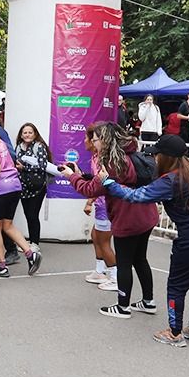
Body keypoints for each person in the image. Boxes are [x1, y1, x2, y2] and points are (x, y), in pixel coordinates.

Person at [99, 134, 189, 346]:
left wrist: (108, 182)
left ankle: (174, 333)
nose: (155, 159)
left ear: (166, 157)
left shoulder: (171, 181)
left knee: (177, 286)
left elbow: (136, 196)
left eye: (157, 155)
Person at [65, 122, 160, 319]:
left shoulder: (112, 163)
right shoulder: (130, 155)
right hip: (147, 214)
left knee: (124, 262)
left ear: (106, 140)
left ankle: (123, 306)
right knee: (140, 258)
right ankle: (148, 301)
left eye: (96, 139)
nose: (93, 142)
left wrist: (71, 176)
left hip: (128, 218)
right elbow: (100, 183)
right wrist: (82, 175)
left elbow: (90, 190)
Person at [0, 116, 41, 278]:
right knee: (8, 225)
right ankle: (31, 254)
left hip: (0, 188)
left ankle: (2, 266)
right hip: (14, 185)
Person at [79, 122, 118, 290]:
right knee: (96, 235)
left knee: (103, 241)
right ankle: (100, 271)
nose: (86, 142)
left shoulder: (103, 159)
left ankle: (116, 278)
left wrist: (89, 201)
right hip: (102, 204)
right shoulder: (96, 158)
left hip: (106, 205)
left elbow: (100, 184)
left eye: (90, 139)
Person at [14, 123, 50, 250]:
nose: (27, 135)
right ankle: (31, 241)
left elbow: (42, 165)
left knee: (33, 215)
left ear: (35, 134)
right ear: (21, 135)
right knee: (28, 215)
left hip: (37, 187)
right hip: (23, 188)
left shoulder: (39, 147)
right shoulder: (18, 147)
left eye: (30, 132)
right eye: (25, 132)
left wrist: (25, 167)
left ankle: (35, 243)